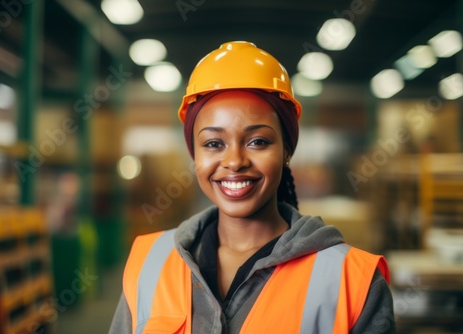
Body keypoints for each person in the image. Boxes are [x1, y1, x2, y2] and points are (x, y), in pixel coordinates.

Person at [109, 41, 396, 333]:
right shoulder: (149, 263)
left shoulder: (354, 282)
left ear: (286, 151)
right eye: (213, 143)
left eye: (258, 141)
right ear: (195, 155)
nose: (234, 161)